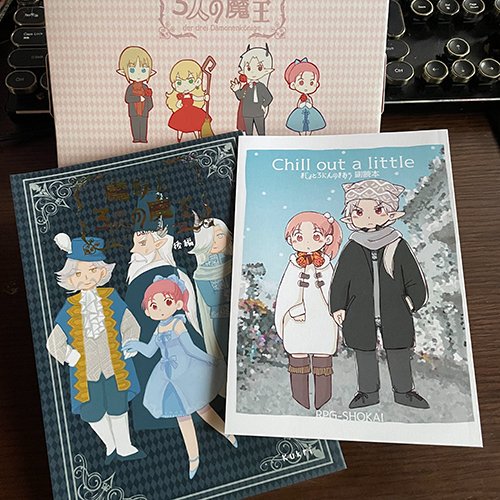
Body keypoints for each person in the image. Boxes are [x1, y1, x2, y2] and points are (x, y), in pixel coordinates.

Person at [123, 275, 237, 479]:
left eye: (166, 302)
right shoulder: (159, 328)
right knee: (182, 417)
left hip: (187, 372)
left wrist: (211, 361)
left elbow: (190, 348)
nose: (160, 309)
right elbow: (150, 351)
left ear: (177, 303)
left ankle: (227, 433)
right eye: (154, 305)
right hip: (167, 377)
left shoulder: (177, 324)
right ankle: (193, 458)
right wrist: (136, 345)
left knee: (203, 409)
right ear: (148, 311)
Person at [330, 179, 430, 409]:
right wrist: (338, 306)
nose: (368, 218)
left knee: (398, 350)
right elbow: (341, 281)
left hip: (394, 310)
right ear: (351, 215)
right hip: (359, 311)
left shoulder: (397, 244)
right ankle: (367, 393)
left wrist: (411, 301)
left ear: (389, 212)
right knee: (364, 352)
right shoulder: (353, 247)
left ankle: (404, 392)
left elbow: (414, 277)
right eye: (359, 211)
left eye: (377, 210)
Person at [47, 233, 145, 464]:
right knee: (91, 412)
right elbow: (53, 342)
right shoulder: (69, 308)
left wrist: (130, 342)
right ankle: (110, 444)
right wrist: (70, 356)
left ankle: (124, 446)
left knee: (118, 406)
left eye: (92, 270)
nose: (86, 278)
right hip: (86, 371)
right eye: (78, 274)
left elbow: (129, 323)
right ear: (70, 278)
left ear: (102, 272)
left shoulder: (112, 298)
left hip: (114, 366)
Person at [125, 191, 205, 431]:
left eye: (142, 243)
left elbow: (192, 326)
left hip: (181, 362)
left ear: (159, 243)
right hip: (157, 365)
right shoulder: (140, 276)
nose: (133, 250)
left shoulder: (170, 275)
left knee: (194, 406)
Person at [274, 211, 342, 410]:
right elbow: (285, 294)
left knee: (323, 357)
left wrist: (335, 310)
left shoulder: (327, 267)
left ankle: (323, 399)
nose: (307, 242)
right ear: (291, 240)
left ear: (327, 239)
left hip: (323, 320)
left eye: (315, 236)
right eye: (299, 237)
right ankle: (300, 399)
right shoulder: (293, 267)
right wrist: (291, 311)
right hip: (297, 321)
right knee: (298, 356)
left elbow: (334, 292)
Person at [188, 214, 232, 361]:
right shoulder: (202, 272)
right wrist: (232, 292)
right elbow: (211, 299)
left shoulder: (235, 261)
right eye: (210, 237)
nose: (216, 241)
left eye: (219, 235)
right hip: (220, 319)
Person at [230, 44, 274, 135]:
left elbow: (269, 97)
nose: (253, 72)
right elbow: (240, 96)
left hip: (258, 112)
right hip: (247, 113)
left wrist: (263, 105)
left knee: (261, 132)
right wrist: (237, 90)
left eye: (259, 68)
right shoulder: (246, 86)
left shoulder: (261, 86)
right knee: (248, 133)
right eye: (249, 68)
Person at [117, 46, 156, 143]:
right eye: (132, 70)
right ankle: (136, 138)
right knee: (134, 124)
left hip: (144, 111)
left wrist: (148, 107)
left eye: (143, 70)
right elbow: (127, 98)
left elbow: (149, 98)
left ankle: (143, 138)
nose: (138, 74)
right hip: (134, 111)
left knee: (143, 125)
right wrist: (139, 99)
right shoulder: (130, 87)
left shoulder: (145, 87)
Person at [165, 59, 211, 143]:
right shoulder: (181, 97)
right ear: (174, 85)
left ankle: (198, 139)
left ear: (197, 82)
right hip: (183, 112)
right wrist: (179, 103)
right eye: (179, 83)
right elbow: (178, 105)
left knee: (195, 126)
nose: (185, 85)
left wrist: (204, 97)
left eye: (190, 81)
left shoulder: (191, 95)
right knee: (180, 126)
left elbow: (198, 98)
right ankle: (179, 139)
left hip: (192, 112)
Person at [284, 58, 326, 135]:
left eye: (311, 83)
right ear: (293, 85)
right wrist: (302, 105)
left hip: (310, 111)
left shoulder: (308, 97)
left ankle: (309, 135)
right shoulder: (301, 97)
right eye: (301, 82)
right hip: (301, 112)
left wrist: (309, 105)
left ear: (316, 84)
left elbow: (311, 103)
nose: (306, 87)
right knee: (300, 126)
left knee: (310, 125)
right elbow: (299, 104)